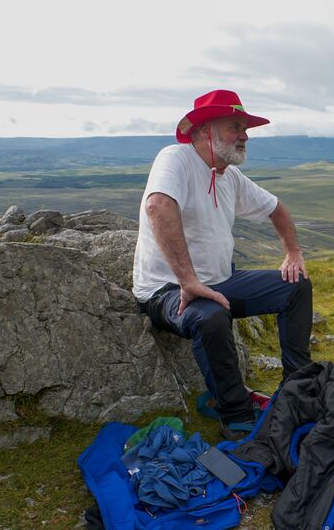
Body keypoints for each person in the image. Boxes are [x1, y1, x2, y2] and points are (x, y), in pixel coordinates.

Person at [132, 89, 313, 440]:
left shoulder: (229, 176)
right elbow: (158, 206)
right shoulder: (177, 159)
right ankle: (235, 412)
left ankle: (297, 386)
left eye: (244, 127)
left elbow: (276, 208)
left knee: (296, 286)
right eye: (235, 126)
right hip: (166, 291)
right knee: (210, 317)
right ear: (204, 131)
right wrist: (187, 280)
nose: (245, 135)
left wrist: (293, 252)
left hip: (219, 281)